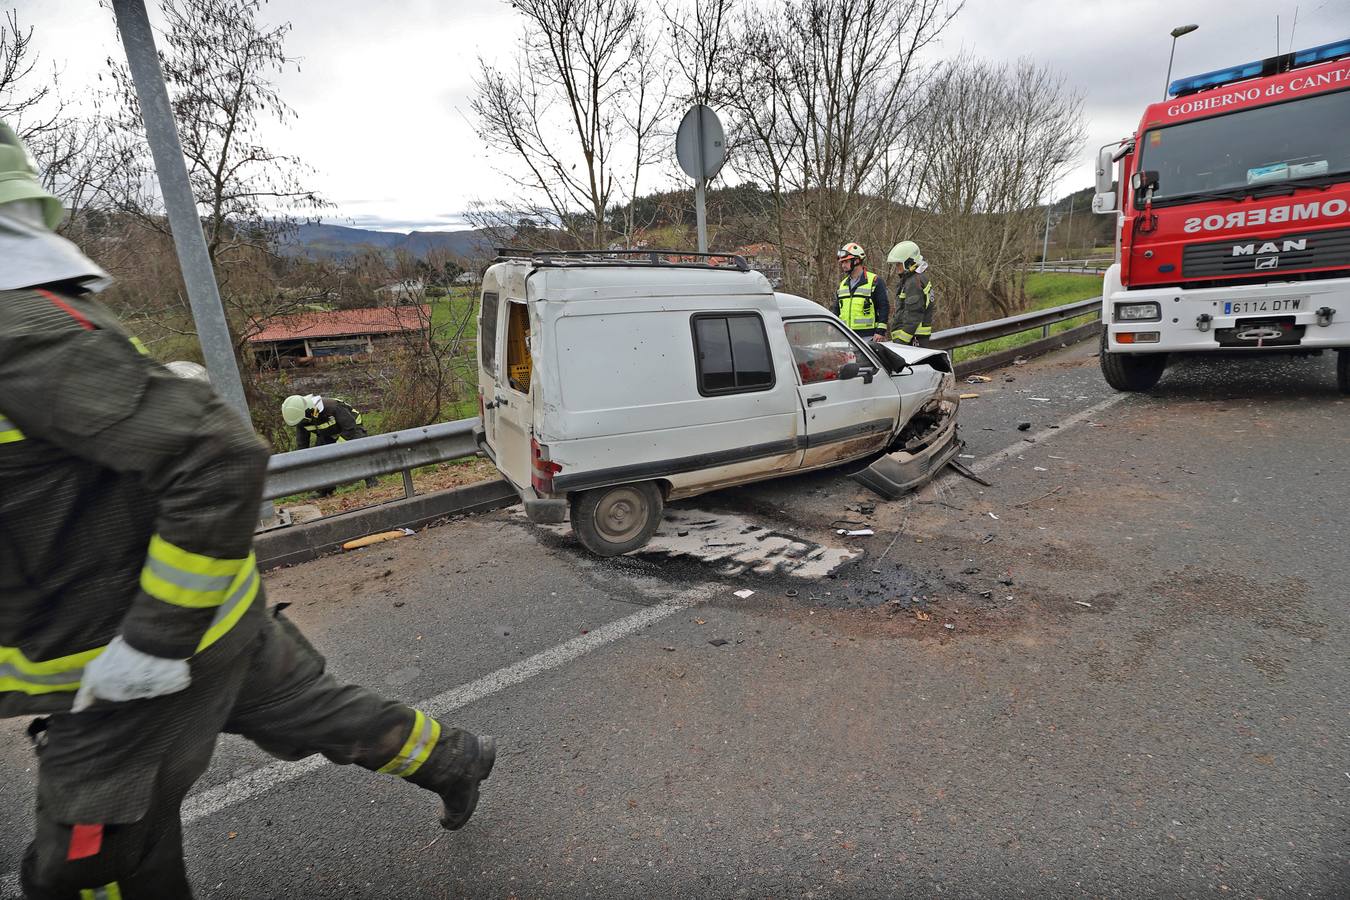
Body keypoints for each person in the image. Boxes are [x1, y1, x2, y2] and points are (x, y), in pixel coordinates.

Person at [0, 120, 495, 900]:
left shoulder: (17, 331)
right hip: (209, 609)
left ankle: (450, 756)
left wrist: (153, 644)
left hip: (134, 653)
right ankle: (454, 757)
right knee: (313, 710)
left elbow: (220, 456)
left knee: (89, 867)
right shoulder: (46, 319)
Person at [281, 393, 379, 493]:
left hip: (351, 428)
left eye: (302, 421)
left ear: (308, 411)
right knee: (320, 459)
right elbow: (302, 444)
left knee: (359, 450)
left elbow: (349, 427)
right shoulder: (302, 421)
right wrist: (303, 461)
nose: (302, 424)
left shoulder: (332, 406)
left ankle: (371, 480)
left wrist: (337, 447)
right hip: (327, 433)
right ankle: (325, 490)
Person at [834, 242, 889, 341]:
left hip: (868, 337)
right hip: (845, 335)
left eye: (846, 261)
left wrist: (880, 331)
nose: (843, 265)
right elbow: (836, 309)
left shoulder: (875, 281)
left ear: (857, 260)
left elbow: (883, 307)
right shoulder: (842, 285)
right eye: (842, 262)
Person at [886, 240, 935, 346]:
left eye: (899, 264)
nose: (897, 268)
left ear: (909, 263)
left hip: (913, 340)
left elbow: (913, 316)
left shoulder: (914, 282)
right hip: (914, 339)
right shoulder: (915, 279)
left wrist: (901, 342)